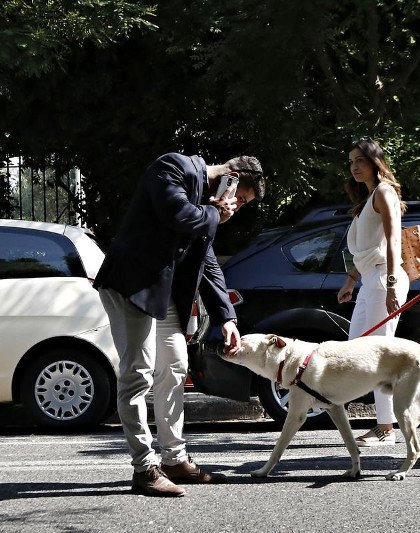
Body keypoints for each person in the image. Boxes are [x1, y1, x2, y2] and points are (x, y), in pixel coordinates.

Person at [94, 152, 265, 496]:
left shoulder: (206, 203)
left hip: (162, 292)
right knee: (138, 373)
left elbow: (208, 260)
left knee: (175, 366)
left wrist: (226, 318)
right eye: (240, 198)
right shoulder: (173, 167)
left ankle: (174, 459)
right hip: (131, 286)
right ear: (230, 177)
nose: (237, 207)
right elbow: (179, 216)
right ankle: (144, 469)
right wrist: (216, 211)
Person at [337, 138, 410, 446]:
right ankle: (386, 423)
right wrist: (351, 279)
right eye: (351, 161)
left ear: (375, 162)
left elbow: (393, 242)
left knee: (379, 355)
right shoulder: (367, 200)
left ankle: (386, 428)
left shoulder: (384, 192)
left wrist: (392, 283)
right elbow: (370, 248)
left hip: (384, 281)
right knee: (354, 352)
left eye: (360, 161)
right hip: (370, 280)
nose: (354, 166)